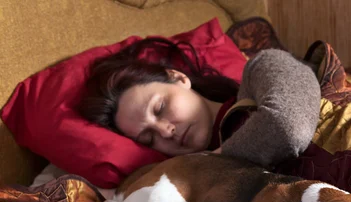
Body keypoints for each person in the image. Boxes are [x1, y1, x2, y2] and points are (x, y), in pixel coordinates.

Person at [79, 38, 322, 169]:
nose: (165, 132)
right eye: (149, 138)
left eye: (159, 108)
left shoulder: (262, 67)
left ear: (178, 78)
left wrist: (203, 165)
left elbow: (287, 128)